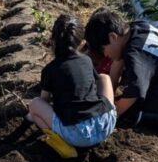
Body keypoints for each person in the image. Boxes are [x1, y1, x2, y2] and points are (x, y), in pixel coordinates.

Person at [28, 15, 116, 149]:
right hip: (105, 124)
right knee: (104, 77)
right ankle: (109, 115)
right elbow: (92, 84)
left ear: (52, 41)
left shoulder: (50, 69)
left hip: (78, 135)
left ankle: (61, 143)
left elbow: (44, 100)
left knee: (35, 104)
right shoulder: (87, 60)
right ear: (82, 43)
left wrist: (32, 115)